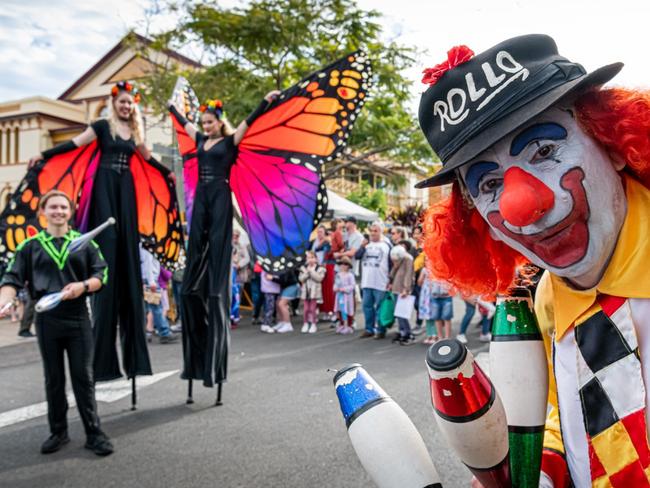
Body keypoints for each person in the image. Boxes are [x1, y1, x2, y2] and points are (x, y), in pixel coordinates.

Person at [418, 34, 650, 486]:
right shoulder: (546, 302)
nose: (521, 205)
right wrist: (539, 472)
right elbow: (564, 416)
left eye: (544, 151)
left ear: (614, 140)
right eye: (488, 185)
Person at [27, 81, 182, 382]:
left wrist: (167, 174)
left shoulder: (135, 132)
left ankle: (134, 359)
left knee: (127, 248)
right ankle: (104, 363)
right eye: (122, 102)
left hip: (126, 191)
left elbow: (148, 158)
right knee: (108, 248)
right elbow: (74, 144)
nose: (126, 107)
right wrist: (45, 156)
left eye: (130, 103)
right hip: (103, 189)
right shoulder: (101, 126)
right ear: (114, 104)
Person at [169, 90, 279, 388]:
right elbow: (182, 122)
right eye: (202, 122)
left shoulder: (230, 141)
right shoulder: (201, 141)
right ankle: (195, 272)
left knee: (218, 236)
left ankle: (217, 277)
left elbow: (249, 121)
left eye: (209, 122)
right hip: (201, 194)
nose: (205, 126)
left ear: (219, 121)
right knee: (197, 237)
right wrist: (172, 108)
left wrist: (265, 102)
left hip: (220, 194)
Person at [0, 190, 113, 456]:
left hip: (77, 318)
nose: (58, 211)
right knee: (54, 379)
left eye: (63, 207)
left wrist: (83, 286)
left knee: (83, 378)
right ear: (43, 211)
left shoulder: (84, 243)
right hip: (47, 320)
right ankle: (58, 432)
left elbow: (102, 274)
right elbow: (11, 279)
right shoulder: (30, 246)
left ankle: (94, 433)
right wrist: (4, 301)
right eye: (53, 207)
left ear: (71, 211)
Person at [356, 221, 391, 338]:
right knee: (367, 306)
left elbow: (392, 265)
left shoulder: (386, 245)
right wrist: (362, 246)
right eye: (371, 231)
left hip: (381, 282)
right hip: (367, 282)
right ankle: (369, 328)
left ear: (381, 231)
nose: (372, 233)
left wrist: (390, 280)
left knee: (380, 307)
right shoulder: (366, 245)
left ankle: (380, 330)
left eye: (375, 231)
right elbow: (357, 256)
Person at [140, 245, 178, 344]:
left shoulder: (145, 245)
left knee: (150, 308)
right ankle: (164, 333)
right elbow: (148, 263)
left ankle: (151, 332)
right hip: (151, 280)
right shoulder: (148, 245)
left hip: (148, 279)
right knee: (156, 307)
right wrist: (151, 281)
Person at [388, 242, 415, 345]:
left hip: (403, 290)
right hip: (396, 287)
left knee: (403, 314)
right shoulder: (397, 257)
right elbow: (393, 271)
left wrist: (406, 289)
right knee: (398, 313)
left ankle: (408, 334)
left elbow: (409, 275)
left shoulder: (408, 259)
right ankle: (401, 331)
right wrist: (390, 282)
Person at [298, 251, 326, 333]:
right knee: (306, 309)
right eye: (309, 258)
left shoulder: (320, 268)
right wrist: (307, 272)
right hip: (306, 291)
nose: (310, 260)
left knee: (312, 308)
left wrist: (312, 272)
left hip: (314, 291)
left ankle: (313, 323)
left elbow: (319, 279)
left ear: (316, 259)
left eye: (312, 257)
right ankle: (305, 323)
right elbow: (301, 279)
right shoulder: (303, 268)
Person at [312, 225, 335, 320]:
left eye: (321, 231)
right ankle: (325, 311)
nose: (319, 234)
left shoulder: (328, 241)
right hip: (318, 267)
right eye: (318, 232)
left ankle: (332, 311)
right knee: (321, 290)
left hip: (328, 266)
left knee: (329, 289)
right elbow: (314, 251)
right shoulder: (316, 242)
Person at [267, 268, 300, 334]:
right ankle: (282, 322)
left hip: (292, 286)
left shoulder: (286, 267)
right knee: (277, 303)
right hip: (285, 287)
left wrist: (272, 278)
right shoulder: (278, 266)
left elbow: (284, 280)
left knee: (282, 304)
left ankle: (288, 324)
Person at [231, 229, 250, 328]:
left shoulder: (241, 246)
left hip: (239, 275)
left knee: (237, 296)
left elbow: (247, 258)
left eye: (237, 236)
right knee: (230, 297)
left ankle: (235, 316)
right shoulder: (227, 245)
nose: (235, 238)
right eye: (233, 235)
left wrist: (239, 264)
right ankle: (231, 317)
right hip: (229, 275)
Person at [333, 257, 355, 334]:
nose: (343, 266)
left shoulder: (350, 275)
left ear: (348, 266)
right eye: (341, 264)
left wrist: (343, 289)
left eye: (345, 264)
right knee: (340, 310)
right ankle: (341, 324)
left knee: (347, 310)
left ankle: (348, 325)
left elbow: (352, 286)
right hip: (339, 295)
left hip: (346, 296)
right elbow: (336, 283)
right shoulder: (338, 274)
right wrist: (335, 288)